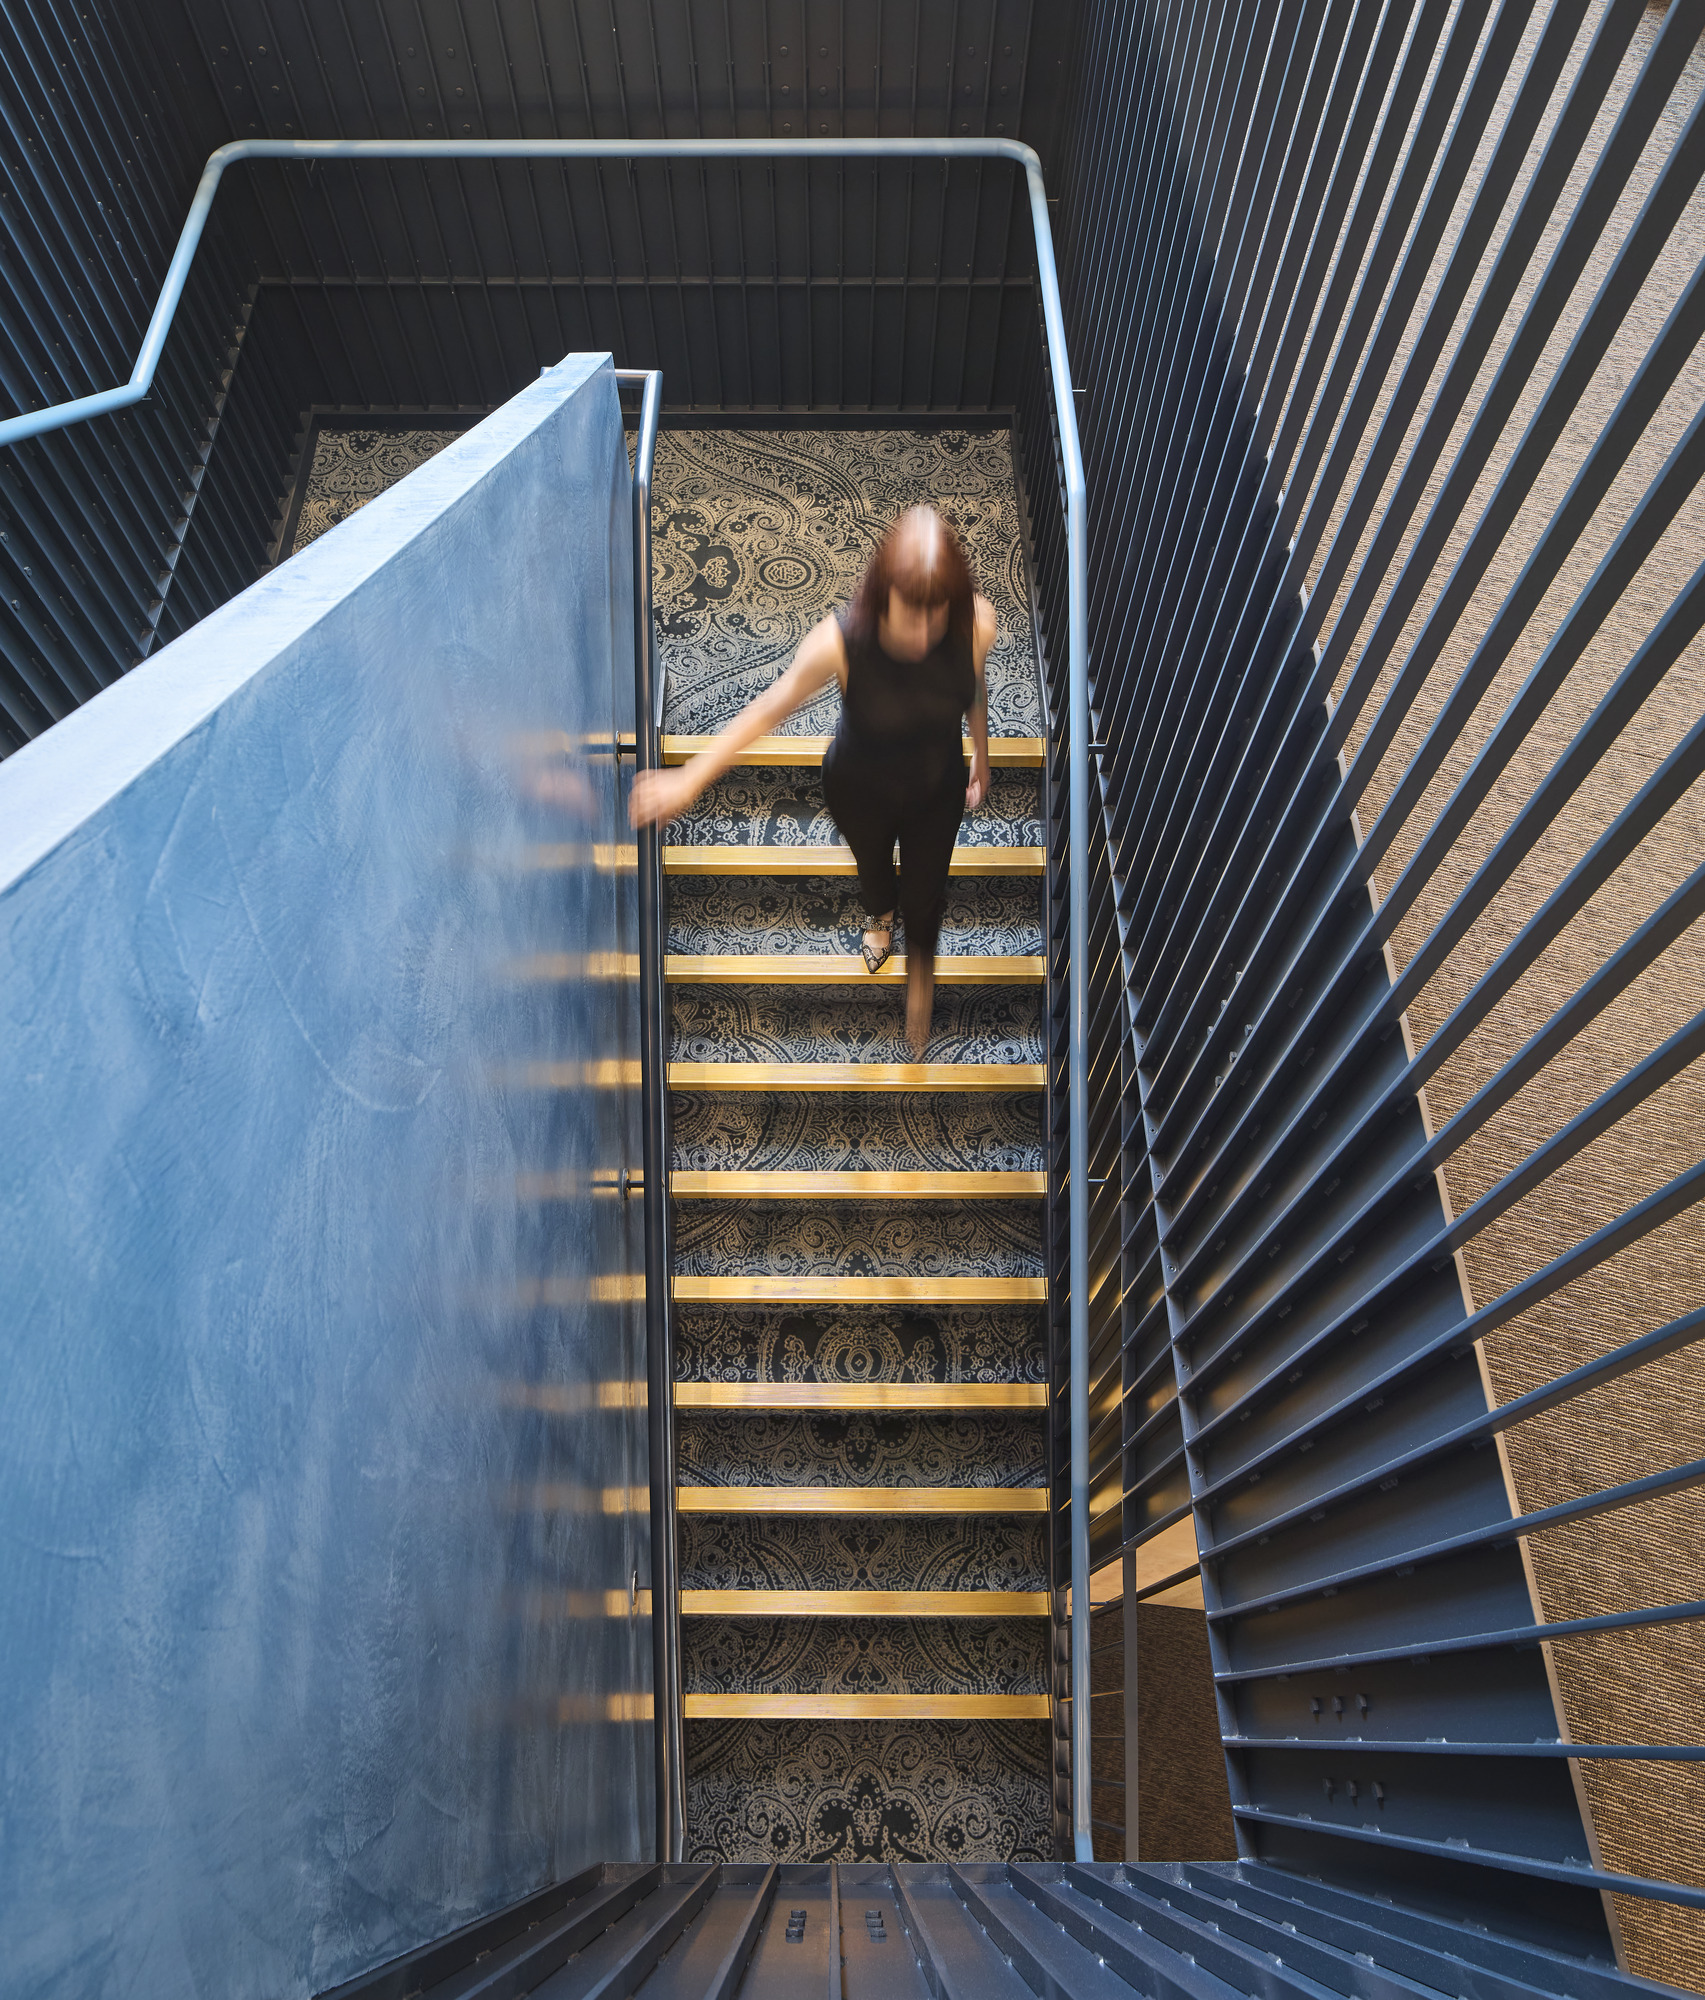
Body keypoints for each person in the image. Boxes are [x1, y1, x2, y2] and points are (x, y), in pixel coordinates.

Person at [630, 505, 996, 1056]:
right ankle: (879, 918)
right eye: (908, 615)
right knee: (872, 868)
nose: (922, 635)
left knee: (928, 895)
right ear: (881, 597)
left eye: (935, 615)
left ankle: (920, 974)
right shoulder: (839, 642)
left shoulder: (976, 625)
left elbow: (974, 692)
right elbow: (768, 708)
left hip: (934, 792)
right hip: (859, 789)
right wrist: (689, 777)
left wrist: (982, 756)